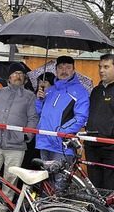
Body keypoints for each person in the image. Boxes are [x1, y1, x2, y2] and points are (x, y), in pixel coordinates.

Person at [0, 63, 39, 201]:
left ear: (24, 77)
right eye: (15, 73)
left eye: (20, 73)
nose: (18, 76)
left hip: (16, 145)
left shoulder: (30, 96)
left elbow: (33, 118)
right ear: (9, 77)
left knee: (10, 179)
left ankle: (3, 205)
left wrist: (26, 136)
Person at [35, 56, 89, 163]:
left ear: (73, 70)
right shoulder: (50, 91)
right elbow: (40, 114)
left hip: (62, 146)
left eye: (68, 67)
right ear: (55, 70)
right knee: (46, 179)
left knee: (60, 179)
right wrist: (39, 100)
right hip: (44, 143)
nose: (64, 71)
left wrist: (60, 132)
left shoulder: (80, 92)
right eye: (60, 67)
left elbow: (81, 117)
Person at [85, 54, 114, 190]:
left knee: (109, 187)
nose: (101, 70)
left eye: (106, 67)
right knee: (95, 188)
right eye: (100, 67)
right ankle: (95, 211)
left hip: (110, 148)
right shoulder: (96, 91)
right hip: (92, 146)